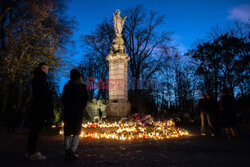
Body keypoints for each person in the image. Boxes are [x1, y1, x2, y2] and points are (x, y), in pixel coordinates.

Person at [26, 62, 53, 160]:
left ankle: (30, 151)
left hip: (37, 108)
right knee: (35, 131)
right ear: (43, 68)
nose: (48, 71)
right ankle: (33, 153)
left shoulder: (37, 78)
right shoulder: (41, 79)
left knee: (34, 131)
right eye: (47, 69)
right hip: (39, 109)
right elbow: (44, 95)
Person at [62, 69, 88, 160]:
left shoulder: (66, 86)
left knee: (67, 131)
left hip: (68, 112)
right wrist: (81, 107)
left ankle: (67, 150)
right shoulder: (82, 87)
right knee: (76, 132)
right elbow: (85, 100)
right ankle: (72, 150)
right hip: (77, 112)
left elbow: (63, 99)